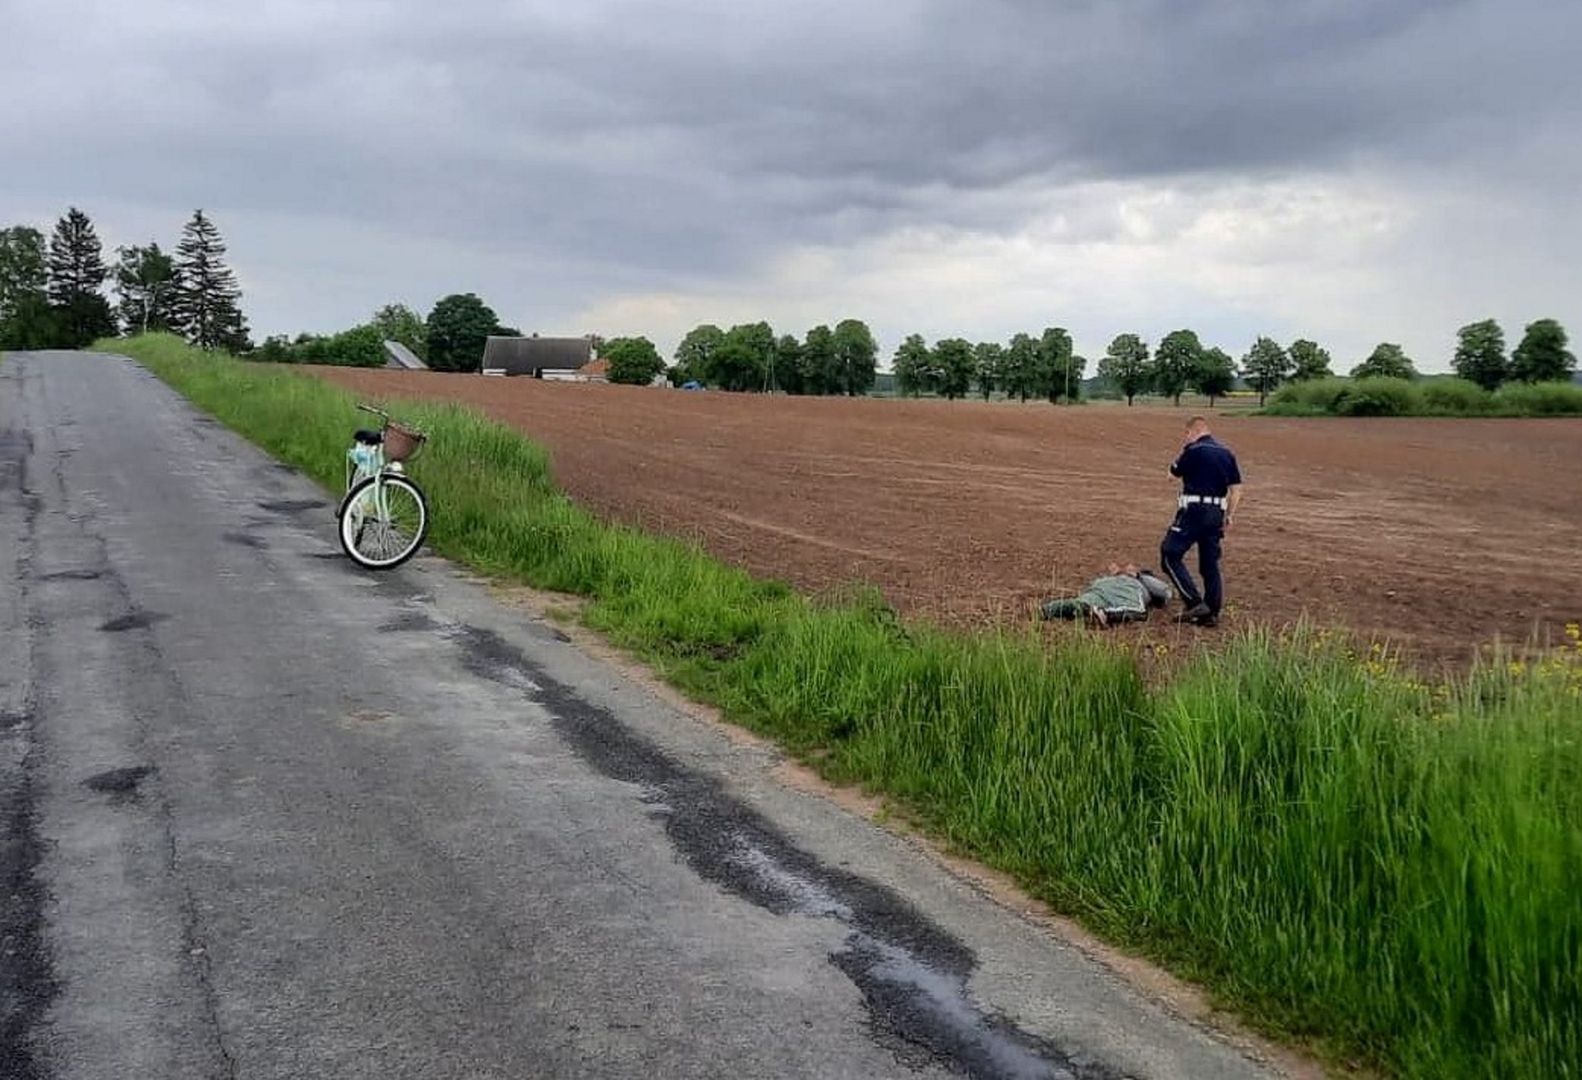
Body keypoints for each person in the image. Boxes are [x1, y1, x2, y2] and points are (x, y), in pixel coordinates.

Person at [1161, 415, 1243, 627]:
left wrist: (1182, 456)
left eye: (1187, 434)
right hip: (1216, 512)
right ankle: (1212, 613)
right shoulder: (1227, 453)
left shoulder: (1193, 451)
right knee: (1210, 564)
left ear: (1193, 432)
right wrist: (1229, 515)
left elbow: (1171, 475)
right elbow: (1236, 490)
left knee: (1169, 554)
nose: (1186, 438)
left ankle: (1194, 602)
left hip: (1193, 510)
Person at [1040, 563, 1174, 626]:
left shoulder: (1113, 576)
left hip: (1103, 584)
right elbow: (1165, 593)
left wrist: (1117, 573)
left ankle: (1046, 609)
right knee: (1138, 612)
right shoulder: (1142, 578)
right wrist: (1139, 576)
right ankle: (1104, 614)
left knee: (1081, 603)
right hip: (1129, 589)